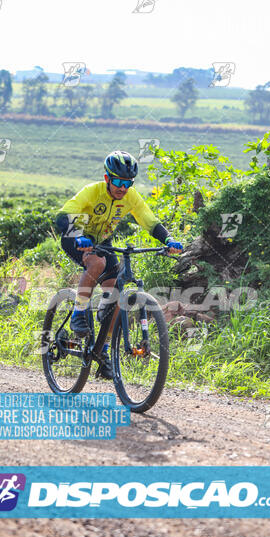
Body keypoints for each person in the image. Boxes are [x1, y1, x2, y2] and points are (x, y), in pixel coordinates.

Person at [55, 150, 183, 379]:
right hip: (77, 237)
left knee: (116, 294)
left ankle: (103, 352)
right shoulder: (92, 192)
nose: (122, 188)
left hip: (103, 241)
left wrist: (168, 239)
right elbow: (63, 215)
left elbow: (148, 219)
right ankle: (78, 312)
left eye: (127, 183)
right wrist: (77, 235)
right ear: (107, 178)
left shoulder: (130, 197)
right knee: (96, 263)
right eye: (117, 181)